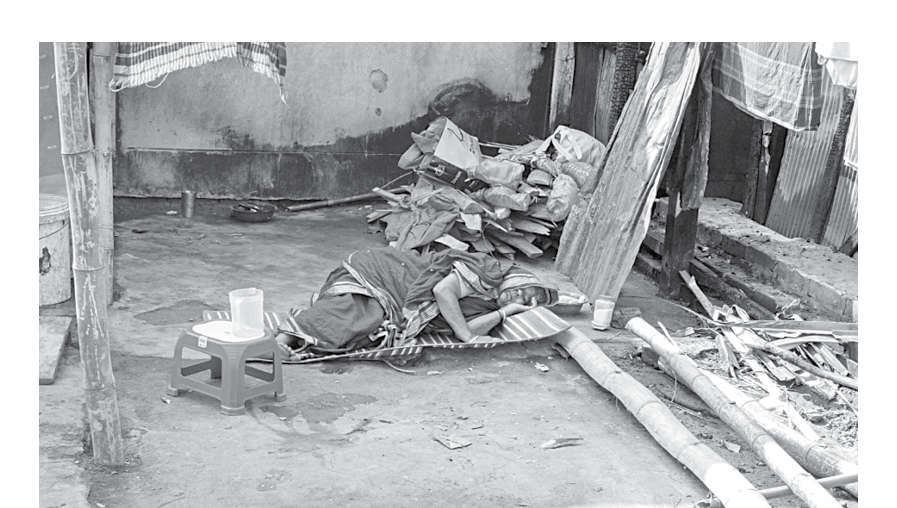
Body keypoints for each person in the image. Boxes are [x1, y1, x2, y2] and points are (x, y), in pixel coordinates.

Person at [275, 246, 557, 355]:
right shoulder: (489, 271)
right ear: (519, 279)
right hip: (386, 273)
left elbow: (468, 327)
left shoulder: (492, 302)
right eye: (524, 290)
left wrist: (507, 312)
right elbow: (443, 292)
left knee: (366, 326)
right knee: (359, 311)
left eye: (526, 301)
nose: (519, 296)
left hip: (396, 297)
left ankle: (300, 336)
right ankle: (284, 338)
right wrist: (467, 337)